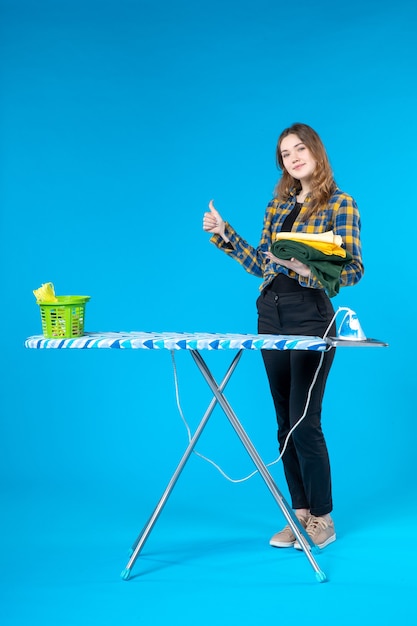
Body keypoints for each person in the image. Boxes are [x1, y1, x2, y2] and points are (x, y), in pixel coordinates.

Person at [202, 122, 364, 550]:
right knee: (283, 424)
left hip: (309, 314)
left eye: (299, 148)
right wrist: (224, 233)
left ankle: (323, 519)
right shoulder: (278, 207)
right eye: (285, 153)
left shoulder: (340, 204)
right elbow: (262, 264)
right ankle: (300, 515)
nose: (293, 157)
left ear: (315, 151)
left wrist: (309, 269)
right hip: (270, 312)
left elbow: (353, 269)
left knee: (303, 421)